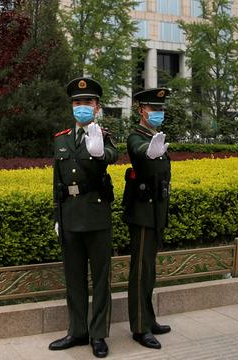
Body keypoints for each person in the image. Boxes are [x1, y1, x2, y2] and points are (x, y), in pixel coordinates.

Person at [48, 77, 118, 358]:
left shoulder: (103, 134)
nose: (82, 107)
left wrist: (100, 153)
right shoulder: (61, 138)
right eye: (77, 102)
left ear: (97, 107)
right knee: (74, 278)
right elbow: (56, 181)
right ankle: (77, 332)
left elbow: (113, 155)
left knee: (100, 278)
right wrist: (57, 215)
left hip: (96, 215)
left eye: (87, 102)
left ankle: (98, 335)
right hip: (70, 216)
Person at [122, 87, 172, 350]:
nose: (158, 113)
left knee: (149, 270)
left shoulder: (157, 136)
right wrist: (149, 151)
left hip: (155, 214)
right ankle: (139, 328)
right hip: (142, 214)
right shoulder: (137, 137)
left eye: (161, 109)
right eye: (154, 109)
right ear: (141, 110)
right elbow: (140, 150)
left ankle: (149, 319)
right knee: (140, 271)